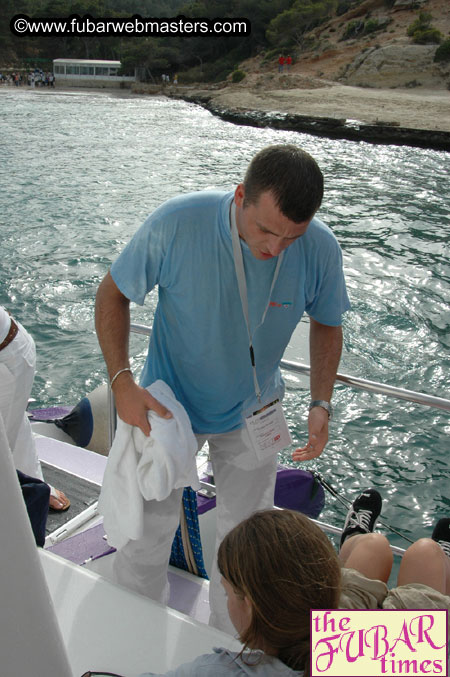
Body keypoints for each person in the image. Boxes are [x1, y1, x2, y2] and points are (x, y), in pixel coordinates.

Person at [95, 143, 350, 631]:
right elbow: (112, 293)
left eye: (290, 237)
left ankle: (230, 645)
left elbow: (328, 323)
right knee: (146, 532)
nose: (275, 248)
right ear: (240, 197)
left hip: (254, 410)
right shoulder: (178, 222)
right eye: (266, 230)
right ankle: (131, 627)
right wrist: (121, 381)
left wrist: (322, 401)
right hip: (169, 407)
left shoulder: (319, 247)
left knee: (247, 536)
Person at [0, 306, 70, 511]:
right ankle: (34, 486)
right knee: (13, 421)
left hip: (8, 357)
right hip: (10, 348)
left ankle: (31, 493)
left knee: (6, 434)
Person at [339, 488, 450, 613]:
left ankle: (352, 541)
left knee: (373, 544)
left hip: (340, 628)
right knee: (427, 552)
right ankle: (444, 572)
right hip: (412, 630)